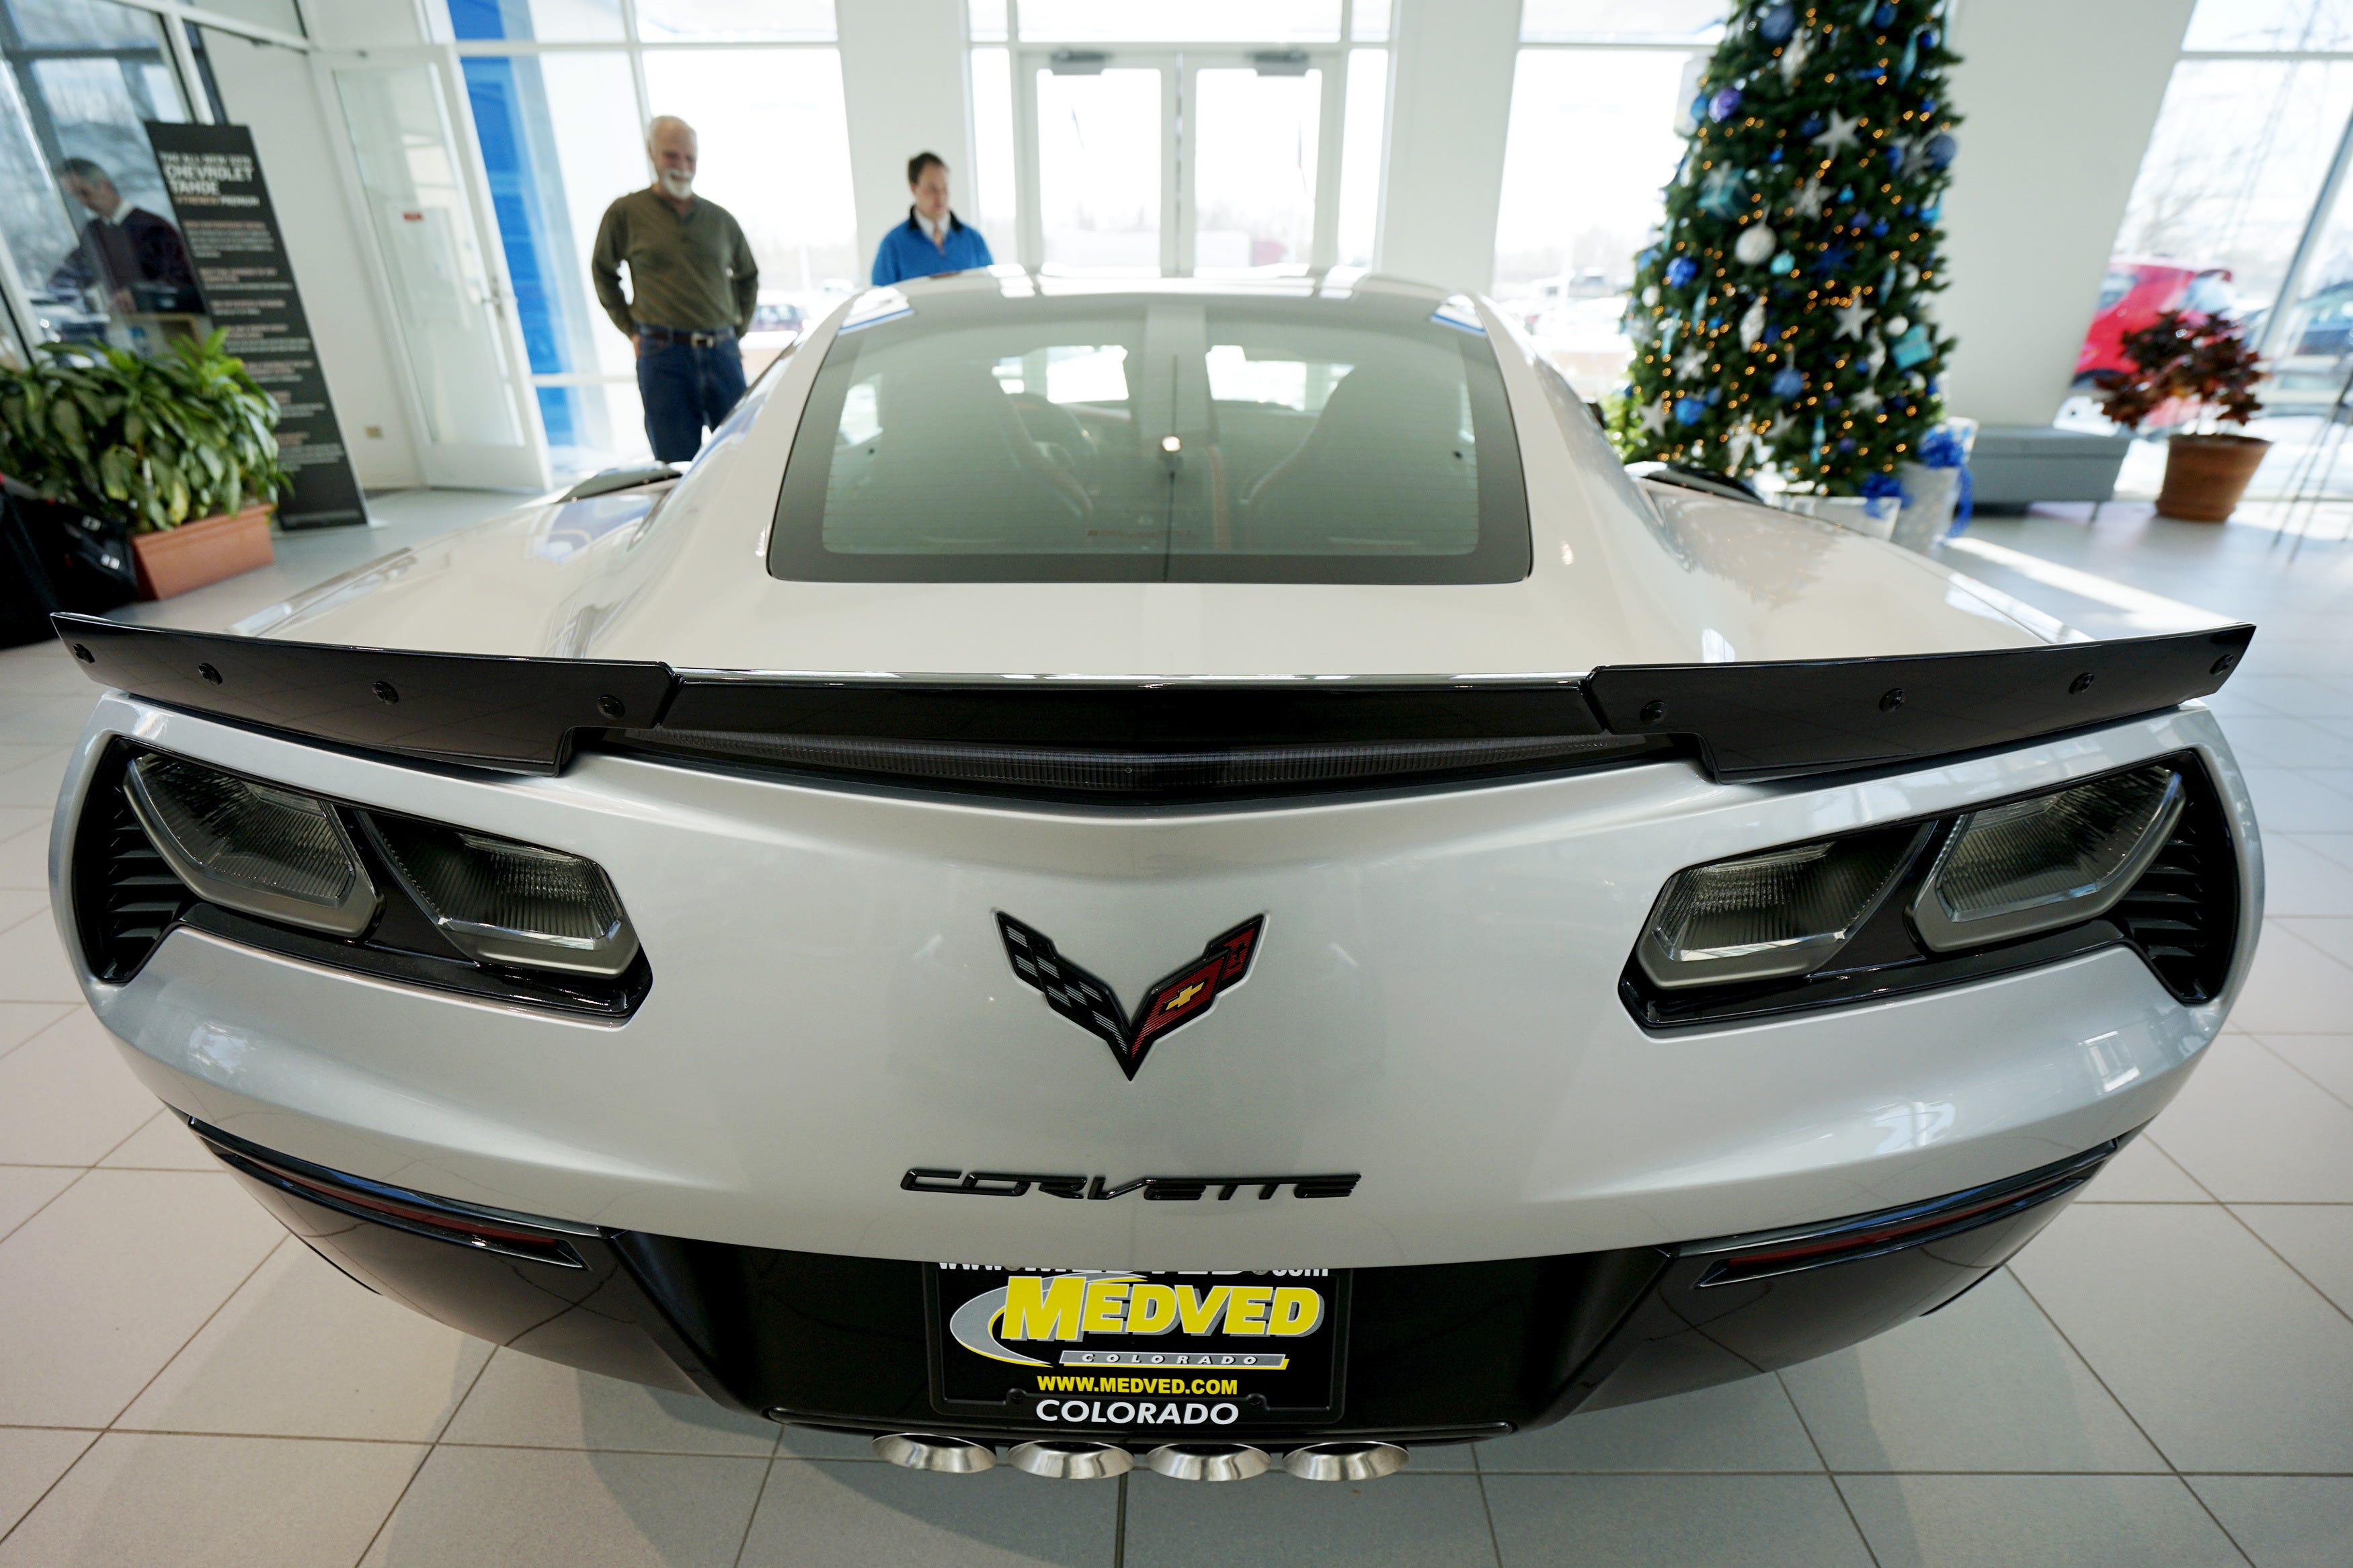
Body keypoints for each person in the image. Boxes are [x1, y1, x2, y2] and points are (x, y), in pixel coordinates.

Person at [591, 116, 758, 463]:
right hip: (663, 355)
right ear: (652, 154)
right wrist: (631, 329)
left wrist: (735, 333)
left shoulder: (720, 219)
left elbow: (748, 276)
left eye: (690, 158)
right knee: (675, 464)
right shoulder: (626, 213)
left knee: (743, 454)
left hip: (721, 353)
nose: (682, 167)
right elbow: (604, 271)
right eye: (672, 156)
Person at [47, 158, 200, 317]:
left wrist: (138, 295)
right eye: (75, 196)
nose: (83, 202)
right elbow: (73, 272)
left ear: (104, 186)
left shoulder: (153, 227)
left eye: (84, 193)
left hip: (166, 321)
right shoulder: (93, 232)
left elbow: (181, 281)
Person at [870, 152, 992, 286]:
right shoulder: (892, 246)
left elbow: (992, 292)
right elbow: (881, 300)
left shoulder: (974, 240)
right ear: (913, 187)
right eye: (932, 189)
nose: (940, 198)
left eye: (944, 189)